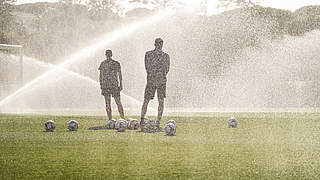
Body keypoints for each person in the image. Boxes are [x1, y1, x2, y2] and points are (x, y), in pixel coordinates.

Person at [140, 38, 170, 131]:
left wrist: (152, 75)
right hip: (161, 81)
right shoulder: (166, 56)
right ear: (162, 45)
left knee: (146, 100)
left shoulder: (148, 54)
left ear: (154, 44)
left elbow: (147, 67)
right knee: (161, 101)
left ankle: (142, 119)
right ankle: (158, 122)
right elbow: (167, 69)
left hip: (151, 80)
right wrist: (161, 75)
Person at [99, 49, 125, 121]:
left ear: (105, 55)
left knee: (108, 103)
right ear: (111, 54)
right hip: (114, 85)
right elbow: (120, 74)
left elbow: (100, 75)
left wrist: (101, 84)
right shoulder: (116, 63)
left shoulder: (103, 63)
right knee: (118, 102)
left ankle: (110, 119)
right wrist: (121, 84)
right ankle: (122, 118)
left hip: (106, 85)